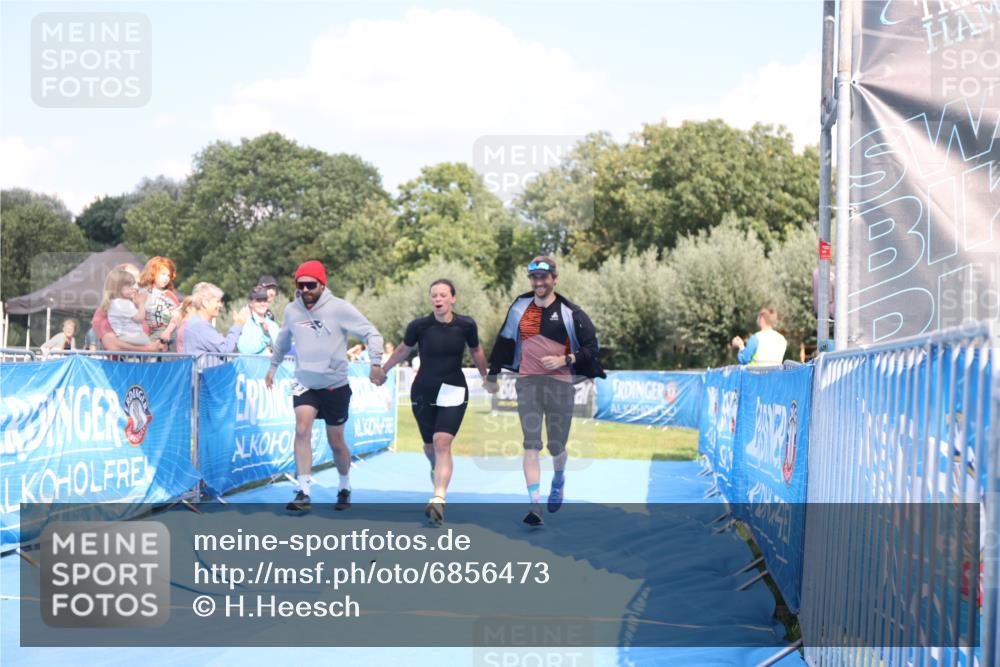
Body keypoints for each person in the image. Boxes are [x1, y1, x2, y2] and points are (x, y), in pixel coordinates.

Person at [485, 256, 605, 526]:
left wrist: (566, 360)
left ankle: (559, 479)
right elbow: (504, 341)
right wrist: (492, 375)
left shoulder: (571, 312)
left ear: (554, 279)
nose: (539, 282)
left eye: (544, 277)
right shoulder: (520, 306)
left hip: (560, 386)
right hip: (528, 382)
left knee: (555, 446)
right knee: (531, 443)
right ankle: (535, 505)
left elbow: (591, 349)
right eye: (534, 278)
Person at [264, 260, 385, 513]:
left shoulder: (339, 308)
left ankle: (344, 486)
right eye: (300, 285)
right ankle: (304, 491)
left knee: (336, 441)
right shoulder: (292, 311)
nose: (305, 289)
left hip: (334, 385)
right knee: (301, 429)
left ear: (322, 284)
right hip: (305, 382)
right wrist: (273, 366)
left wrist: (375, 362)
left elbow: (372, 333)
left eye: (311, 284)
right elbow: (283, 340)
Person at [378, 279, 490, 524]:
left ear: (453, 298)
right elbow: (402, 350)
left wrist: (486, 377)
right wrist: (384, 370)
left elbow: (477, 351)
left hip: (453, 389)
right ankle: (434, 467)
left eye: (442, 295)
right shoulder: (419, 326)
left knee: (442, 442)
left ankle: (438, 498)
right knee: (430, 447)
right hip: (423, 391)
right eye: (434, 295)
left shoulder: (466, 325)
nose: (438, 299)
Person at [91, 263, 164, 354]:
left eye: (137, 283)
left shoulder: (138, 308)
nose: (136, 287)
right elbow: (113, 345)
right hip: (117, 366)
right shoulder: (104, 311)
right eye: (130, 283)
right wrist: (148, 349)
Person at [184, 282, 249, 369]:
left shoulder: (196, 322)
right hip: (206, 379)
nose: (220, 305)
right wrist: (238, 324)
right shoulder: (201, 326)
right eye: (217, 301)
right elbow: (226, 349)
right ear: (205, 303)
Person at [138, 257, 183, 348]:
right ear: (152, 272)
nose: (166, 278)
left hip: (161, 332)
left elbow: (177, 316)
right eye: (163, 274)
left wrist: (167, 332)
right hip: (143, 331)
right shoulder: (141, 292)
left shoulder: (167, 295)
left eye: (168, 276)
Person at [104, 268, 153, 345]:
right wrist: (142, 303)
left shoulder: (114, 302)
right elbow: (139, 319)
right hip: (132, 336)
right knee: (152, 345)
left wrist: (136, 304)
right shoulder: (124, 303)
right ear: (118, 287)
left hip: (122, 336)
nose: (133, 288)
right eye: (129, 285)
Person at [238, 287, 281, 355]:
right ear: (251, 303)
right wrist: (265, 338)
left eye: (265, 300)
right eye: (259, 300)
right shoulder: (245, 324)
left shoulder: (274, 325)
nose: (262, 303)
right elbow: (243, 349)